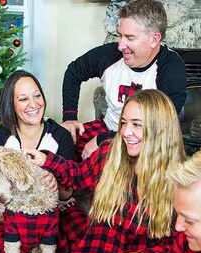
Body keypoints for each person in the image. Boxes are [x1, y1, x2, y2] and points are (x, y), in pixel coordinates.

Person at [26, 89, 186, 253]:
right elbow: (77, 177)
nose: (126, 132)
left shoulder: (178, 180)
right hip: (100, 249)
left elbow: (179, 243)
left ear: (160, 130)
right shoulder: (110, 154)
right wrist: (46, 159)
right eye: (123, 123)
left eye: (137, 125)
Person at [0, 70, 89, 253]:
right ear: (11, 105)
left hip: (57, 214)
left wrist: (56, 184)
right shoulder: (0, 139)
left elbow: (67, 192)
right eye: (23, 99)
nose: (33, 104)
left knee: (88, 237)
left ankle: (42, 252)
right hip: (16, 216)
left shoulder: (60, 136)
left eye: (37, 95)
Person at [61, 0, 186, 160]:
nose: (121, 45)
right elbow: (73, 72)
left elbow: (161, 126)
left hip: (147, 141)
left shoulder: (171, 68)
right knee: (60, 140)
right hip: (108, 127)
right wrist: (70, 117)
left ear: (154, 40)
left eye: (130, 38)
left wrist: (103, 140)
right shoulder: (110, 55)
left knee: (101, 165)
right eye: (120, 36)